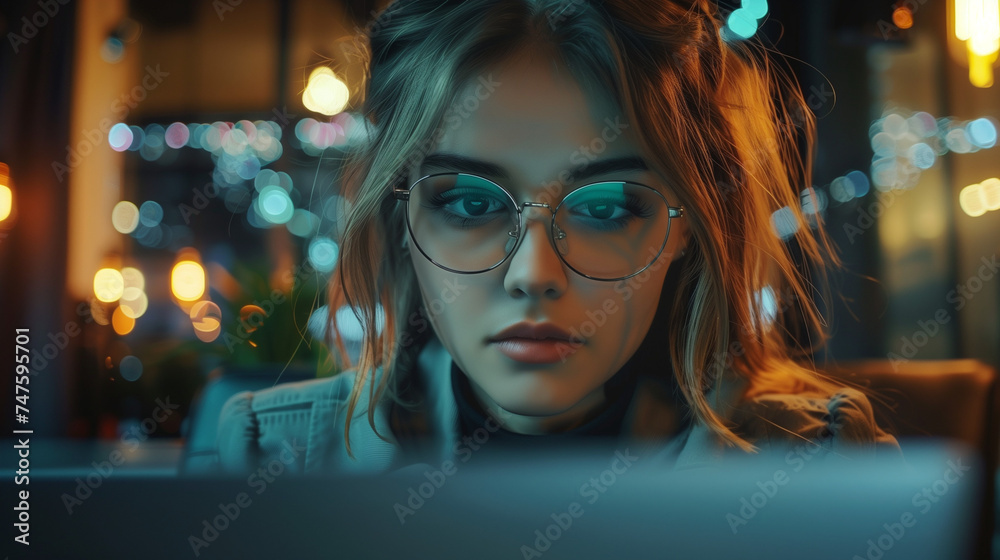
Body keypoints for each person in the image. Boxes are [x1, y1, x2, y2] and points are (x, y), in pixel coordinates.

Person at [215, 0, 900, 475]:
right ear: (399, 219)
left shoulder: (816, 462)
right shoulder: (273, 455)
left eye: (605, 208)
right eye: (469, 202)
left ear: (689, 224)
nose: (532, 274)